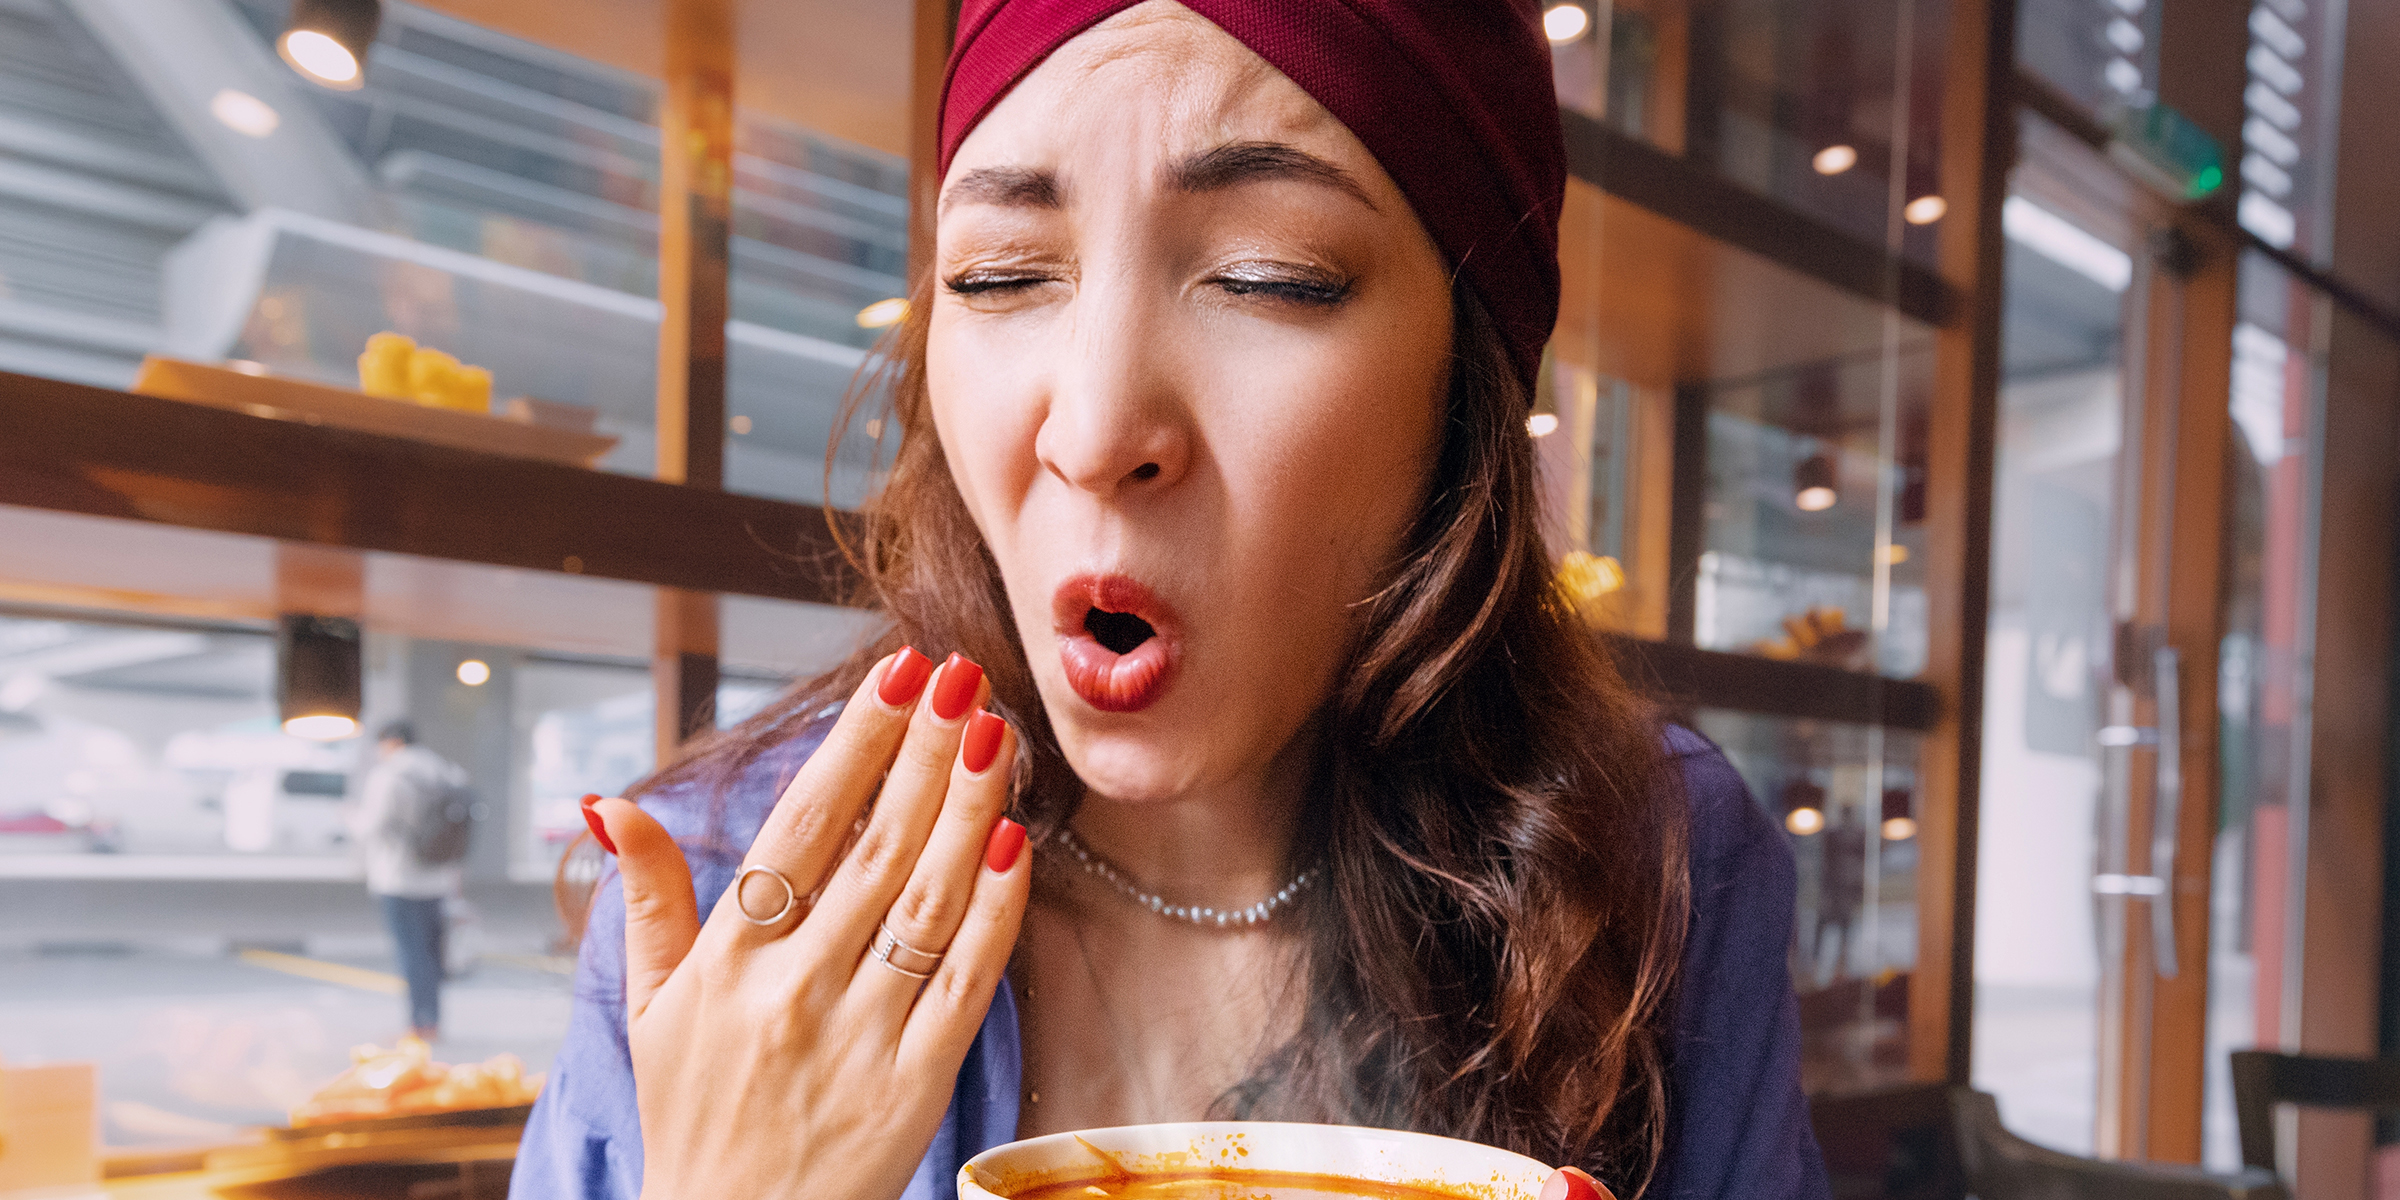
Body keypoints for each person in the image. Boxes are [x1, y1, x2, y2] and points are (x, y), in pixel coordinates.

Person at [518, 3, 1826, 1198]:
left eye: (1270, 276)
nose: (1093, 429)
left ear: (1466, 380)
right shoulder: (721, 898)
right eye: (1000, 275)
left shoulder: (1655, 855)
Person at [349, 719, 465, 1041]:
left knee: (411, 953)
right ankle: (433, 1019)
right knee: (432, 952)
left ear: (392, 742)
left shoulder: (389, 776)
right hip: (439, 878)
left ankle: (419, 1022)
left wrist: (350, 817)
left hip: (399, 879)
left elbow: (370, 827)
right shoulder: (445, 771)